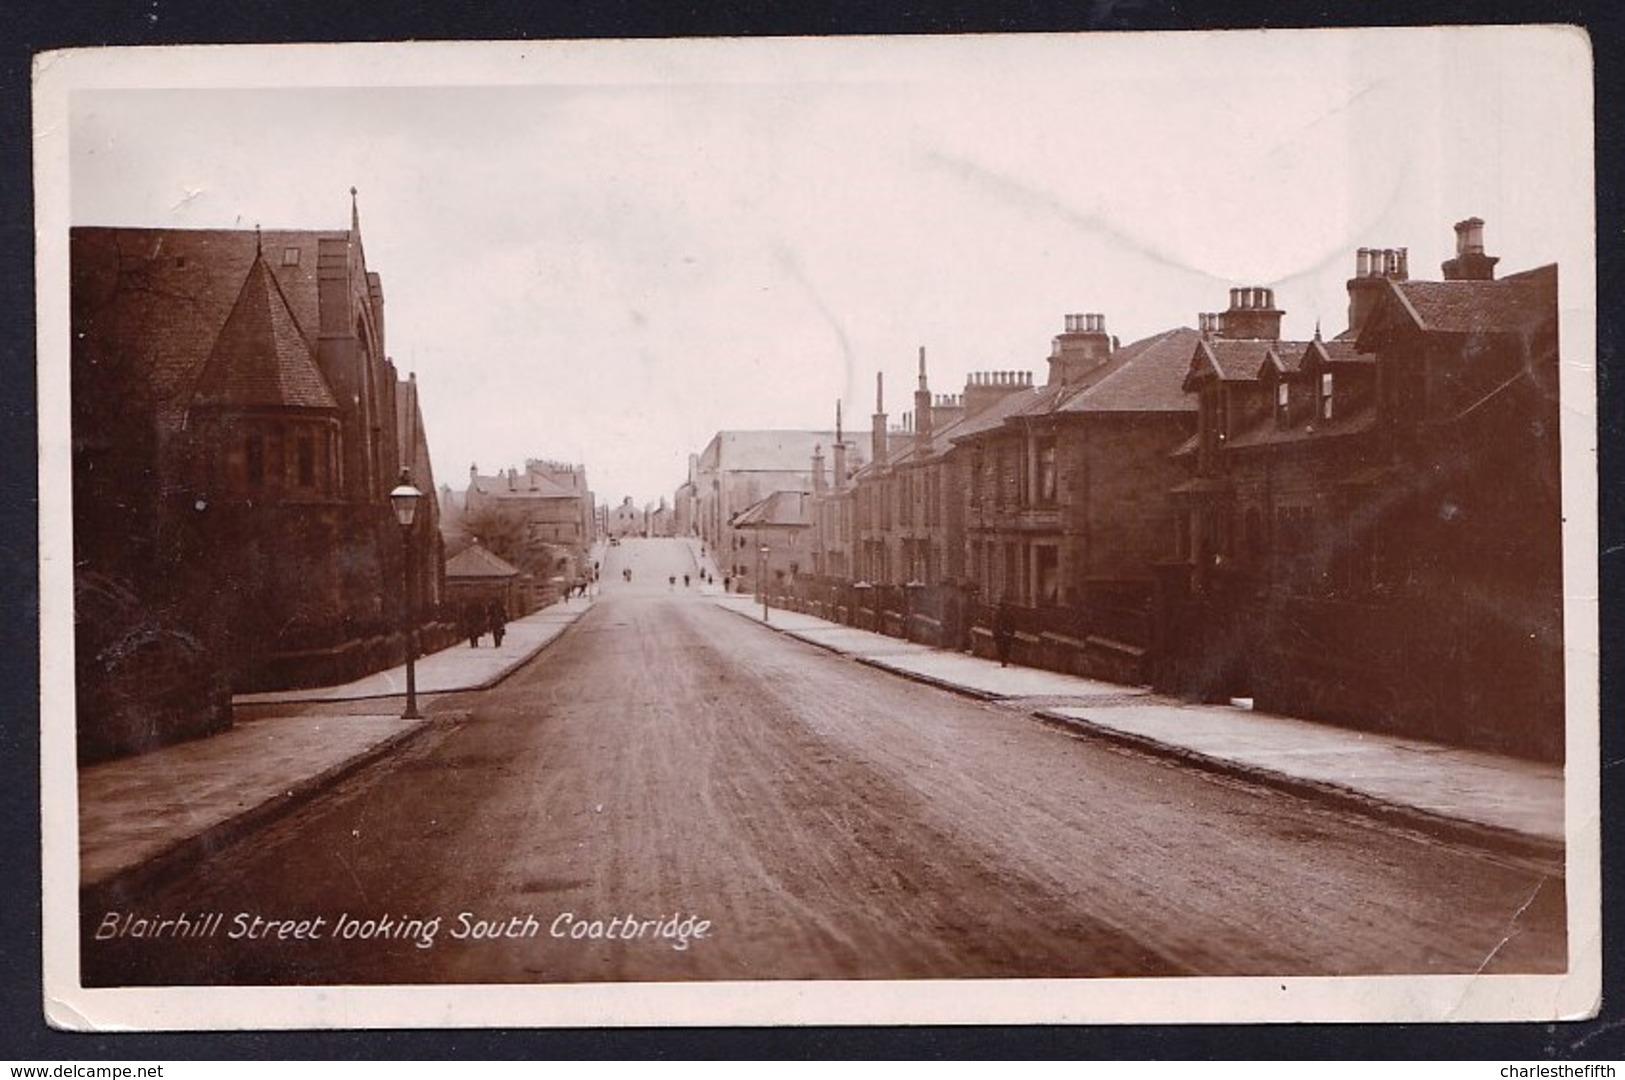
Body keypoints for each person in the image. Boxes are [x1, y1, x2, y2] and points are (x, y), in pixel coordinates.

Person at [994, 600, 1016, 668]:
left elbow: (996, 624)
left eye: (998, 606)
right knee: (1005, 648)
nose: (997, 607)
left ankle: (1004, 660)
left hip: (1002, 634)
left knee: (1002, 648)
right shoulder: (998, 614)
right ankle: (1004, 660)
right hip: (1004, 634)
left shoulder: (999, 614)